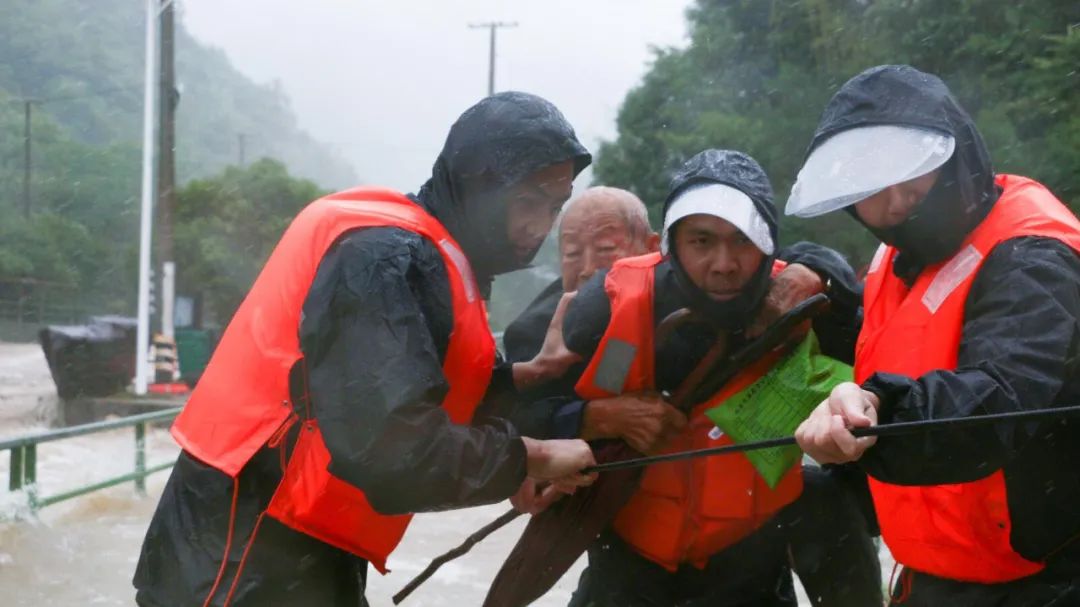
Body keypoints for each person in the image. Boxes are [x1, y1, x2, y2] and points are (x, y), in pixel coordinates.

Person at [133, 92, 601, 607]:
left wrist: (521, 378)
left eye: (555, 206)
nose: (540, 227)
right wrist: (527, 457)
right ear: (478, 185)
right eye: (528, 202)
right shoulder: (381, 257)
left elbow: (421, 392)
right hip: (239, 543)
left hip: (298, 542)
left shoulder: (432, 256)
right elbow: (392, 448)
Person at [790, 65, 1080, 605]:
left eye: (912, 172)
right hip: (931, 575)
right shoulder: (897, 256)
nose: (896, 200)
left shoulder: (1032, 255)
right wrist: (825, 300)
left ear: (956, 155)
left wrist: (875, 410)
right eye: (871, 186)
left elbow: (1002, 392)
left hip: (1046, 583)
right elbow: (907, 341)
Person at [553, 149, 881, 606]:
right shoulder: (599, 310)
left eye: (742, 241)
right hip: (625, 568)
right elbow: (523, 416)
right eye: (701, 242)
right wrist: (594, 416)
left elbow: (886, 358)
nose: (723, 264)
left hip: (751, 570)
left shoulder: (808, 305)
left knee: (823, 494)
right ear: (669, 244)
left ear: (769, 247)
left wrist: (819, 267)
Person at [502, 186, 659, 425]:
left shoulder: (683, 295)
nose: (588, 269)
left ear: (652, 247)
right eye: (573, 254)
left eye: (605, 249)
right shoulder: (533, 333)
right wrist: (592, 417)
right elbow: (517, 421)